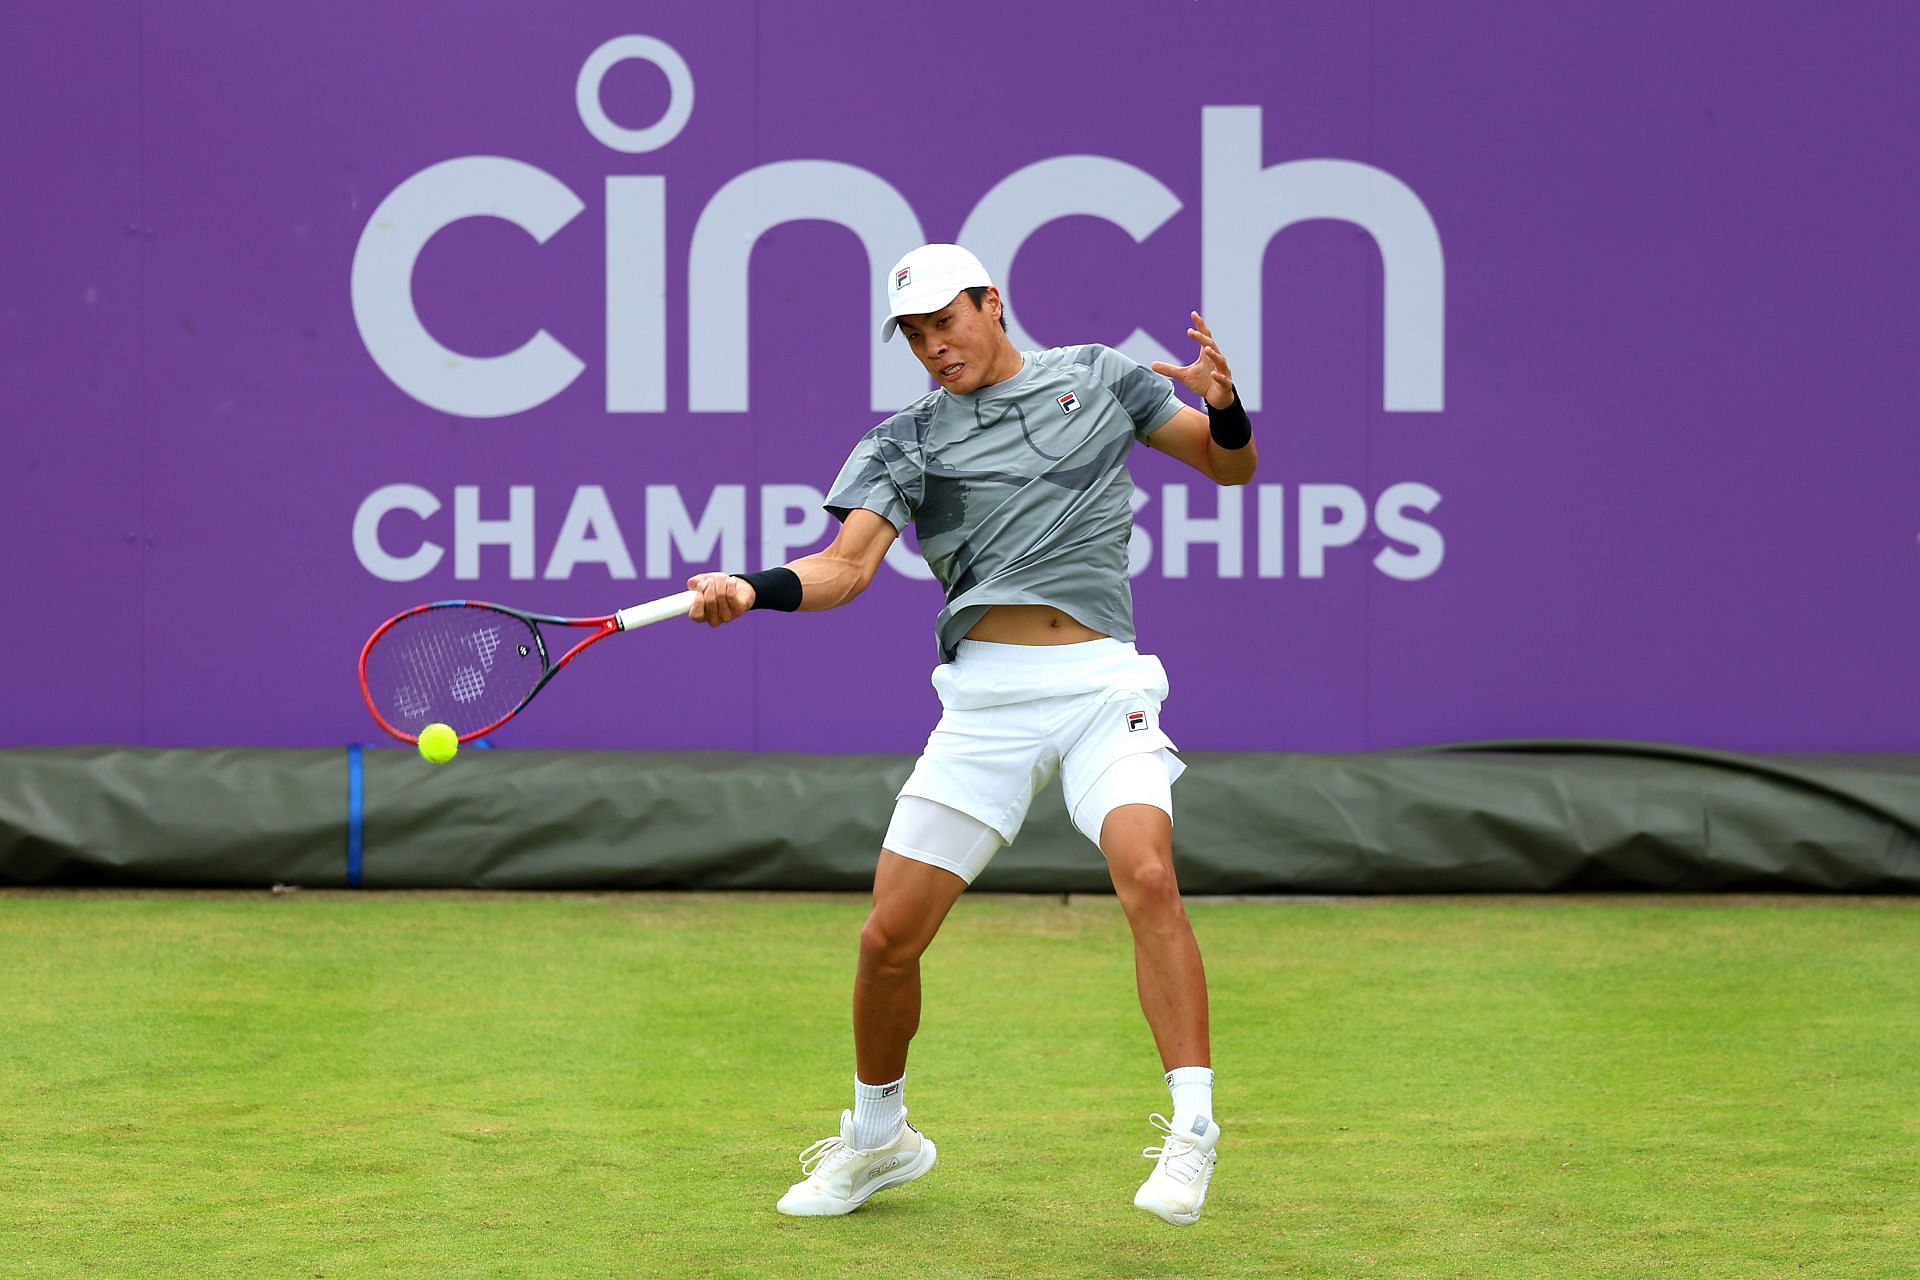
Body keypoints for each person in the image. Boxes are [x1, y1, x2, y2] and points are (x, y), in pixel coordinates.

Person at [685, 243, 1257, 1226]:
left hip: (1099, 684)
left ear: (993, 303)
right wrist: (753, 587)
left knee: (1147, 870)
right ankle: (878, 1139)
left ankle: (1193, 1129)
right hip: (986, 704)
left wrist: (1227, 403)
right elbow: (844, 567)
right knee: (888, 940)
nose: (932, 345)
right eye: (913, 333)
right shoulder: (903, 441)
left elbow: (1228, 466)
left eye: (946, 320)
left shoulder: (1102, 377)